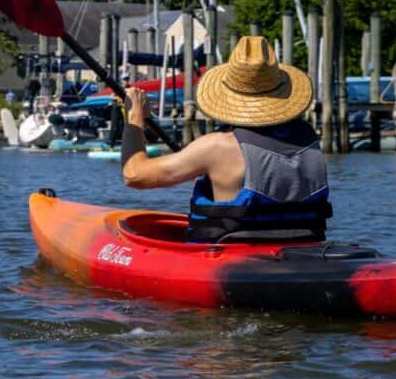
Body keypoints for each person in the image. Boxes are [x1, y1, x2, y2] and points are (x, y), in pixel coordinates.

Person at [120, 36, 331, 243]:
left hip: (233, 254)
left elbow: (134, 174)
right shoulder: (307, 138)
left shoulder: (217, 147)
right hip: (304, 248)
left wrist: (135, 117)